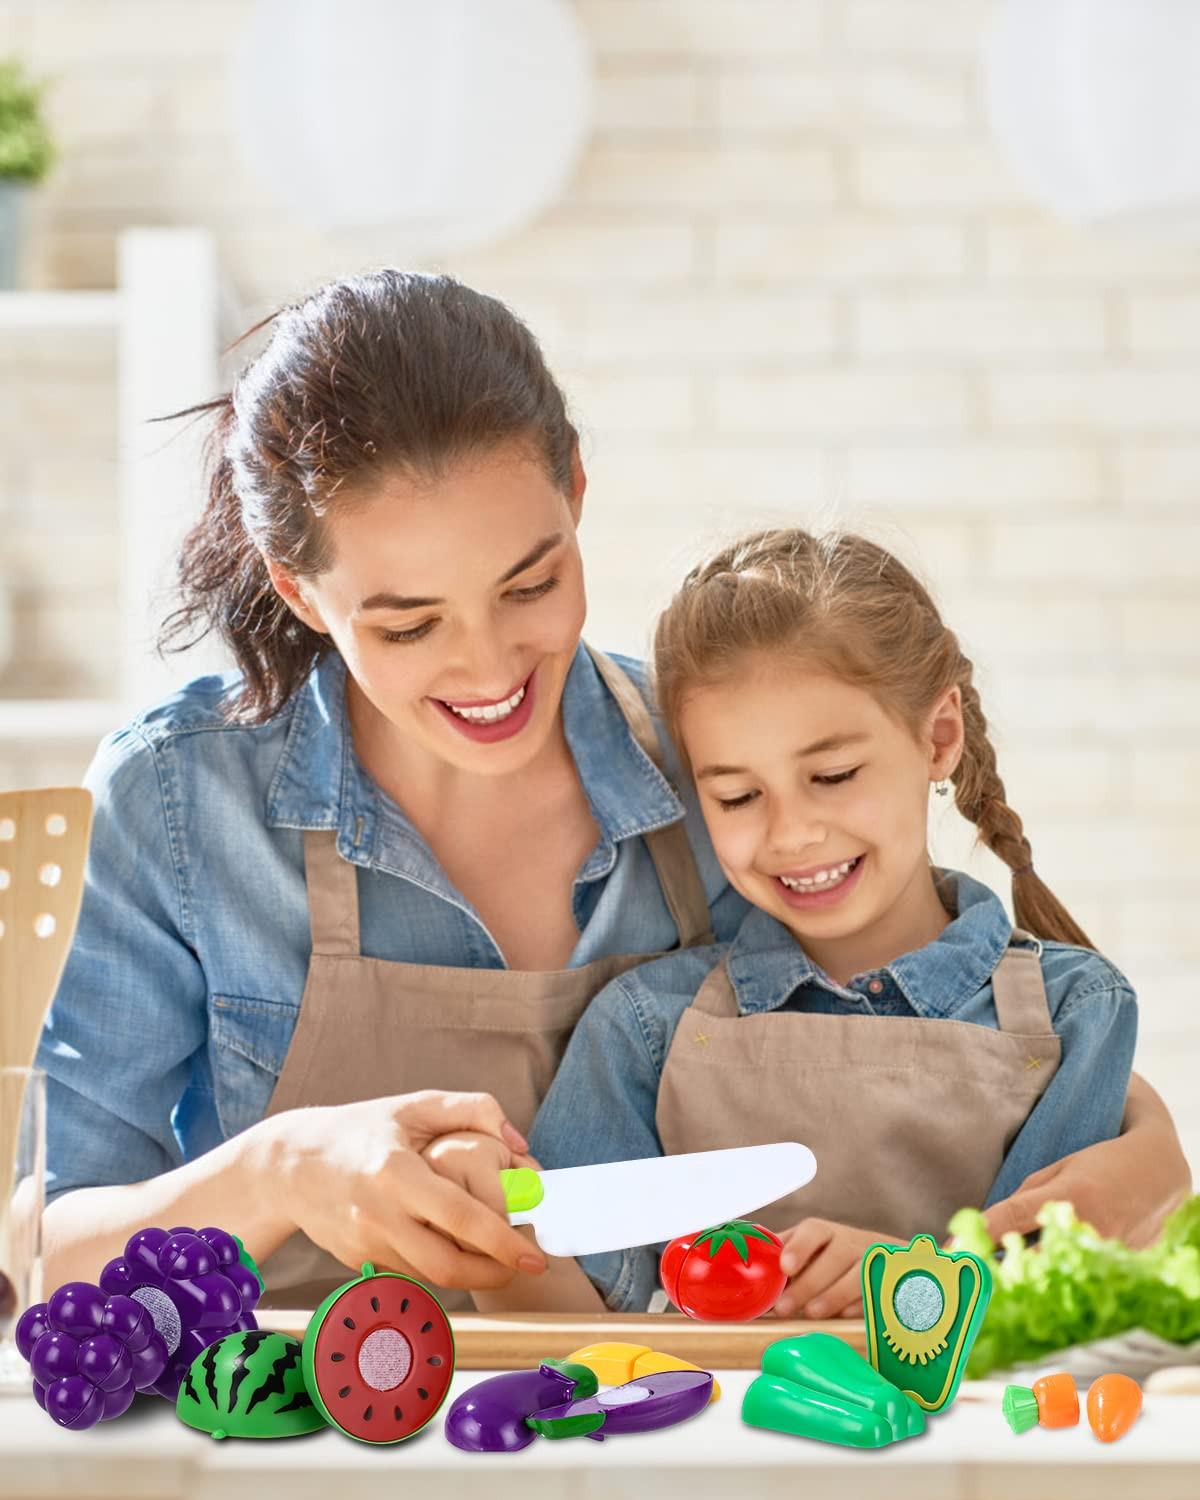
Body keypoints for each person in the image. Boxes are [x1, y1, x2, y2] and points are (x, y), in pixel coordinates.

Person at [37, 274, 1186, 1312]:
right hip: (297, 1437)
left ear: (577, 490)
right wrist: (280, 1168)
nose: (489, 667)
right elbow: (45, 1249)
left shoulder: (717, 773)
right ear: (299, 588)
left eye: (530, 583)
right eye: (410, 623)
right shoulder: (179, 801)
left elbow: (907, 1024)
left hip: (641, 1412)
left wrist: (1141, 1140)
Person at [526, 527, 1187, 1317]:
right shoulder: (643, 1029)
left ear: (939, 737)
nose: (792, 832)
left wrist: (905, 1278)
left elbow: (1047, 1304)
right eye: (737, 796)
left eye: (832, 775)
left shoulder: (1075, 1013)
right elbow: (563, 1306)